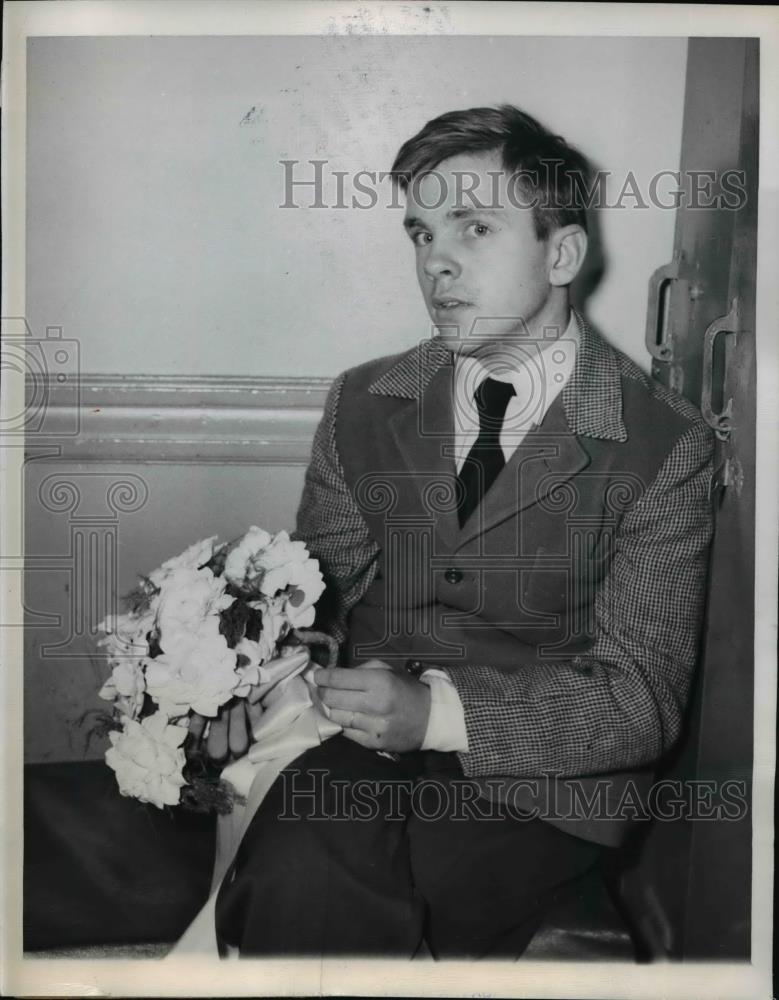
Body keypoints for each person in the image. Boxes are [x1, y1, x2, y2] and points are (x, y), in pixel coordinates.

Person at [212, 105, 715, 958]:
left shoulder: (665, 444)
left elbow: (639, 702)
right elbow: (315, 596)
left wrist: (436, 713)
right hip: (355, 747)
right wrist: (258, 677)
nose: (435, 261)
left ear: (560, 253)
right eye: (419, 232)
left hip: (545, 790)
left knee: (308, 877)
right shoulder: (364, 399)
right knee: (296, 860)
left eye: (473, 227)